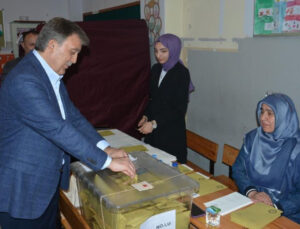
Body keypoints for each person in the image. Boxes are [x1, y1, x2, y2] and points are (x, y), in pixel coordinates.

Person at [0, 17, 136, 229]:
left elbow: (73, 118)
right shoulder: (25, 80)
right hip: (24, 189)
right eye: (72, 52)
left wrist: (105, 148)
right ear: (52, 45)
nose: (74, 60)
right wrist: (106, 162)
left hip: (45, 182)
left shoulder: (50, 75)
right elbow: (57, 128)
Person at [232, 93, 300, 224]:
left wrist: (275, 207)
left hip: (286, 216)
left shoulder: (296, 149)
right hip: (250, 203)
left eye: (270, 113)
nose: (263, 117)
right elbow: (238, 169)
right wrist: (252, 193)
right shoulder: (253, 138)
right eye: (262, 111)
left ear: (284, 116)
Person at [138, 33, 190, 163]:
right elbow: (153, 99)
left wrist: (154, 123)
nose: (158, 55)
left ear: (173, 50)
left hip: (171, 134)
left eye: (163, 51)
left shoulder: (181, 73)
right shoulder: (156, 69)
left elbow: (179, 110)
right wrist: (146, 116)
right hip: (154, 133)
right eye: (156, 51)